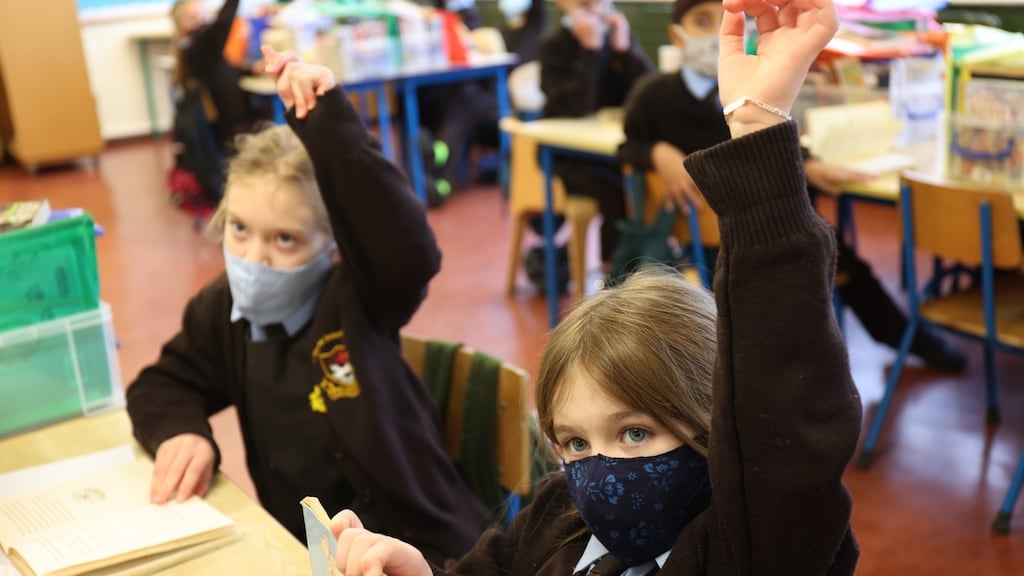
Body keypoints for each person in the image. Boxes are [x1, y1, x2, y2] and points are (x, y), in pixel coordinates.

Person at [319, 0, 863, 573]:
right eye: (575, 444)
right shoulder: (559, 516)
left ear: (716, 427)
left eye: (635, 432)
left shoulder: (749, 548)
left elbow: (782, 406)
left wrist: (758, 127)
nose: (601, 472)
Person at [125, 45, 491, 566]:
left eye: (286, 239)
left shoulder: (359, 296)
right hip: (313, 557)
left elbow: (408, 251)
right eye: (241, 230)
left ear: (332, 246)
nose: (255, 258)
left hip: (426, 553)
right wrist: (182, 431)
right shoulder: (223, 309)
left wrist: (332, 125)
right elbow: (163, 382)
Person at [617, 0, 967, 372]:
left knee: (834, 253)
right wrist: (657, 152)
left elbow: (769, 135)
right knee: (827, 260)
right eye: (702, 21)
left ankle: (904, 336)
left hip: (768, 223)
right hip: (711, 242)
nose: (715, 32)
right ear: (677, 35)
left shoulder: (752, 86)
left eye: (728, 19)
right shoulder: (652, 95)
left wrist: (810, 165)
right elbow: (627, 146)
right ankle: (899, 338)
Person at [539, 0, 653, 273]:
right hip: (564, 154)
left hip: (609, 148)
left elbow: (645, 94)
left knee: (646, 180)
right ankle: (614, 272)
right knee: (614, 189)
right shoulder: (554, 43)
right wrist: (589, 51)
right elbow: (575, 106)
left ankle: (646, 260)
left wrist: (624, 51)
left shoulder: (614, 36)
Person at [171, 0, 261, 145]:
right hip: (225, 121)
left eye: (205, 15)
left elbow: (221, 70)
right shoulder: (197, 45)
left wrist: (250, 70)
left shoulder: (200, 46)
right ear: (181, 26)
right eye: (194, 17)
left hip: (231, 116)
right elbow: (222, 23)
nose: (202, 21)